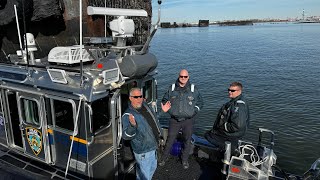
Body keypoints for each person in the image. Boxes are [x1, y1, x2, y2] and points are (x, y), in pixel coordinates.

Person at [159, 69, 203, 169]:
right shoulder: (172, 88)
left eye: (185, 77)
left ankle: (184, 160)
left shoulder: (193, 89)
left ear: (188, 77)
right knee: (170, 140)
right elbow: (164, 99)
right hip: (174, 120)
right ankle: (163, 158)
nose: (183, 78)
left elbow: (200, 102)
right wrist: (167, 108)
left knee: (187, 141)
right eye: (181, 76)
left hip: (188, 120)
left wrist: (194, 111)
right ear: (178, 76)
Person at [122, 87, 163, 180]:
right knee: (144, 176)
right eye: (136, 97)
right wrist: (132, 126)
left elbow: (154, 119)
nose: (139, 99)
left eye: (140, 96)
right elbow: (126, 136)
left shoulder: (145, 105)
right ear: (130, 98)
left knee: (153, 168)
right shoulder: (128, 115)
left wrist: (162, 111)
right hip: (143, 152)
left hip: (153, 146)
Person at [205, 82, 250, 152]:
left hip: (231, 135)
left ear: (239, 91)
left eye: (232, 91)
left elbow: (237, 125)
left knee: (208, 135)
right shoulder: (237, 101)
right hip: (232, 133)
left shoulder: (238, 106)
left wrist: (223, 126)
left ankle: (227, 151)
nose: (229, 92)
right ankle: (227, 150)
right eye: (228, 90)